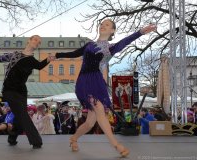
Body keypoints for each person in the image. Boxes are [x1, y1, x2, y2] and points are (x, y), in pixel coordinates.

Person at [53, 19, 156, 157]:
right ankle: (116, 145)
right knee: (100, 109)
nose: (102, 25)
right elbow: (74, 53)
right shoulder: (89, 45)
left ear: (112, 31)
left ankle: (73, 138)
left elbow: (126, 41)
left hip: (97, 82)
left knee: (90, 123)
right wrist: (57, 55)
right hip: (84, 81)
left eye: (107, 25)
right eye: (101, 24)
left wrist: (140, 32)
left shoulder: (111, 48)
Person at [0, 35, 54, 149]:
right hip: (9, 89)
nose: (37, 42)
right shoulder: (16, 54)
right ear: (29, 41)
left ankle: (12, 137)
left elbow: (39, 66)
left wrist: (48, 59)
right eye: (35, 40)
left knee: (19, 116)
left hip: (22, 91)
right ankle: (36, 141)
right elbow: (3, 58)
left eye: (39, 42)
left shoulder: (32, 60)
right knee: (23, 115)